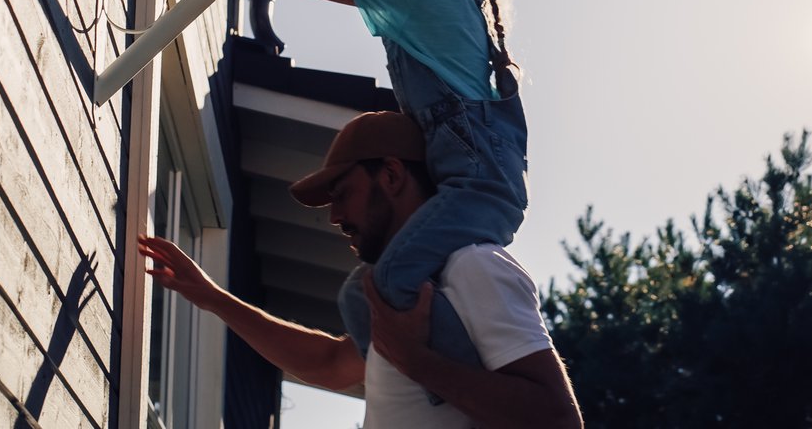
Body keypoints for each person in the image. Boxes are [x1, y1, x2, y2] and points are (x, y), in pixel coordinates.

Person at [275, 0, 528, 378]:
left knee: (379, 289)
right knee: (380, 293)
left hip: (473, 187)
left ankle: (474, 394)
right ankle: (446, 375)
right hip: (481, 181)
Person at [135, 112, 581, 428]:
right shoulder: (407, 293)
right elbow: (328, 362)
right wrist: (211, 296)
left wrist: (418, 362)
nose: (333, 217)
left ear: (391, 175)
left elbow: (559, 420)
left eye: (342, 193)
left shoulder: (473, 266)